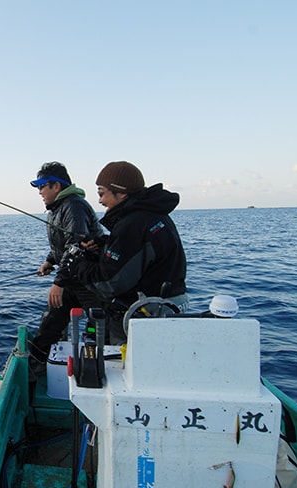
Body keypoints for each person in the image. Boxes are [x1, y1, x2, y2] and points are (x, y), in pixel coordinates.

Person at [71, 161, 189, 343]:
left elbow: (108, 283)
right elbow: (139, 254)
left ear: (122, 193)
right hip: (170, 306)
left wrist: (78, 264)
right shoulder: (155, 215)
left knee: (128, 359)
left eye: (101, 193)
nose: (100, 201)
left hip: (147, 315)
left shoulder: (132, 224)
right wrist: (105, 244)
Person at [28, 161, 104, 379]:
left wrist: (58, 283)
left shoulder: (74, 206)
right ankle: (36, 368)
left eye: (42, 186)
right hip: (71, 278)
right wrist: (50, 261)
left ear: (56, 186)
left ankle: (98, 373)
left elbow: (76, 246)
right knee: (49, 326)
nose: (39, 192)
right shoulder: (56, 209)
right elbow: (62, 246)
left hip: (89, 282)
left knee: (98, 331)